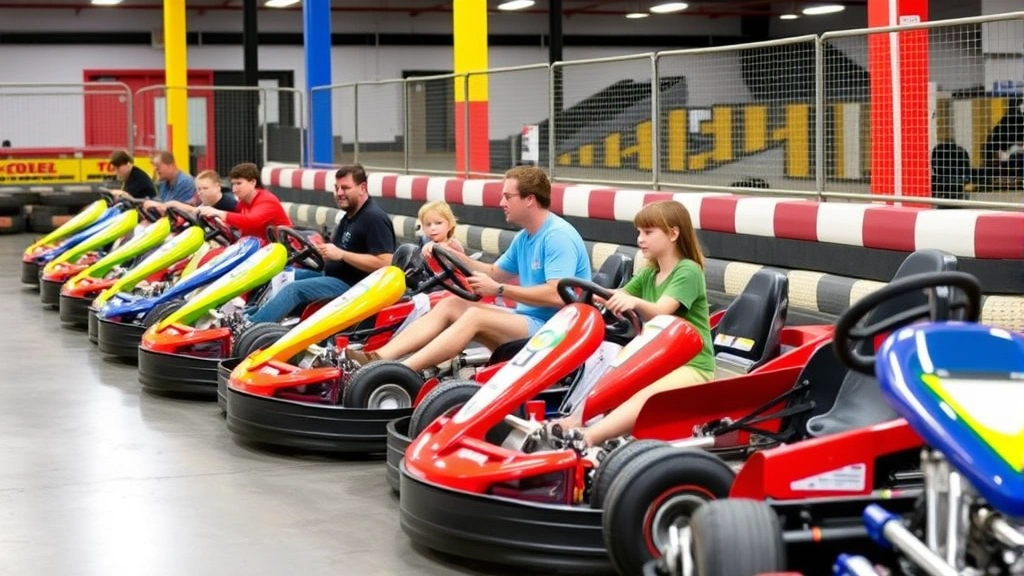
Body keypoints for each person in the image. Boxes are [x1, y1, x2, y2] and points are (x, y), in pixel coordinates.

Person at [345, 166, 591, 373]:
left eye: (508, 197)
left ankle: (400, 371)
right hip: (528, 319)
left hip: (556, 330)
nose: (501, 202)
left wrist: (501, 290)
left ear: (529, 199)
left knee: (474, 316)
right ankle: (378, 358)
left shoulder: (557, 236)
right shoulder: (526, 236)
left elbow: (557, 295)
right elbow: (495, 272)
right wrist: (454, 255)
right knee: (451, 304)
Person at [550, 200, 715, 451]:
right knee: (610, 372)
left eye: (648, 232)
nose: (640, 239)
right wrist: (587, 293)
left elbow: (662, 311)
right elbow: (614, 293)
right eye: (639, 232)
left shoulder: (688, 271)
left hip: (692, 364)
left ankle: (589, 438)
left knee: (645, 396)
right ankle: (575, 420)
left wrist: (632, 301)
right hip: (657, 357)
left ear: (673, 233)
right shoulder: (650, 273)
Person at [246, 164, 396, 324]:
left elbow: (385, 262)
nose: (339, 193)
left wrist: (342, 255)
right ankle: (249, 314)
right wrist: (320, 251)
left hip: (354, 287)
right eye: (336, 188)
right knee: (283, 274)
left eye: (345, 188)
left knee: (293, 290)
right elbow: (336, 253)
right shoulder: (349, 216)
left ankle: (250, 327)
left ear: (362, 187)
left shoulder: (374, 218)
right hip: (333, 276)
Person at [197, 162, 291, 243]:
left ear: (253, 182)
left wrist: (219, 213)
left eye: (239, 183)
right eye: (233, 184)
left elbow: (251, 221)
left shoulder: (266, 200)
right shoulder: (243, 203)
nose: (234, 189)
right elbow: (242, 229)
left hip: (284, 252)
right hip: (259, 248)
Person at [163, 170, 238, 215]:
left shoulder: (229, 204)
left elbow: (196, 211)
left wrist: (174, 204)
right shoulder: (203, 203)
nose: (201, 192)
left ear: (217, 187)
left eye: (205, 188)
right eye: (199, 189)